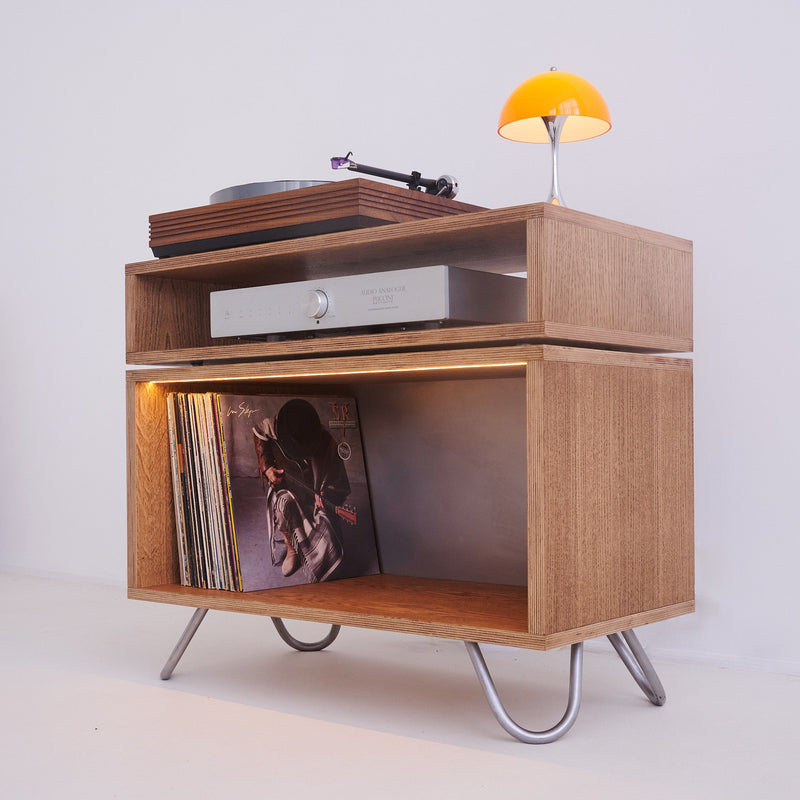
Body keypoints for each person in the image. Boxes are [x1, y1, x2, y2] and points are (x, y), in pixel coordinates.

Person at [252, 399, 348, 582]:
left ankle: (313, 550)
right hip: (286, 488)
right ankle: (292, 548)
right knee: (281, 504)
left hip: (314, 497)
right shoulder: (273, 426)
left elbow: (339, 484)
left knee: (330, 543)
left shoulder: (327, 444)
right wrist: (267, 468)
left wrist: (326, 493)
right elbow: (259, 436)